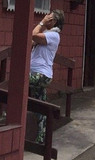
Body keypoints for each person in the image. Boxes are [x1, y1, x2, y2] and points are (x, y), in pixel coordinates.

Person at [29, 9, 65, 144]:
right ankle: (41, 137)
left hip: (41, 74)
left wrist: (41, 22)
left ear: (54, 21)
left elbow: (33, 35)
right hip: (36, 72)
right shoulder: (47, 34)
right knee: (40, 106)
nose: (46, 17)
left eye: (49, 17)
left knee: (19, 80)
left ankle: (6, 110)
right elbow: (32, 41)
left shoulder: (54, 36)